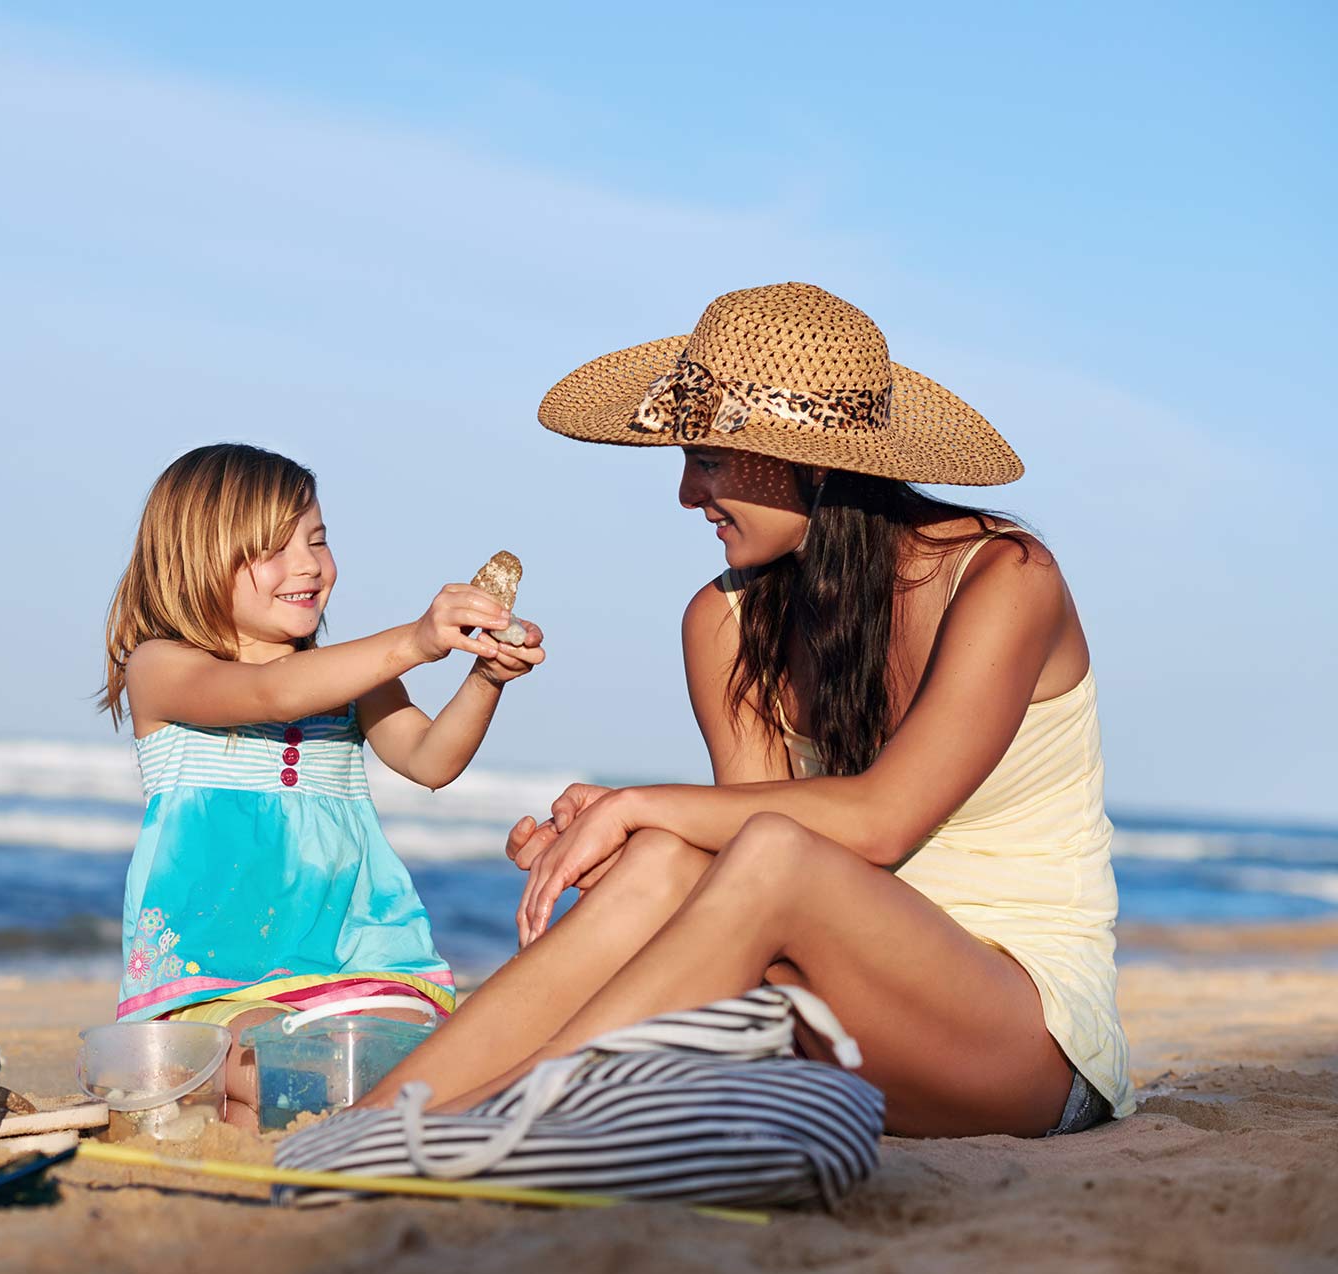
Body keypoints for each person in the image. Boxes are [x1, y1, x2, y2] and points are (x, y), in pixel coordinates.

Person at [362, 282, 1131, 1138]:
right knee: (665, 856)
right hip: (834, 1020)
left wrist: (637, 803)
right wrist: (624, 858)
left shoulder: (1005, 578)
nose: (688, 494)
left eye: (711, 459)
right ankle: (374, 1120)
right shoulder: (726, 622)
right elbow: (745, 885)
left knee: (743, 843)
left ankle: (484, 1123)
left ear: (811, 460)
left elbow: (877, 823)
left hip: (1024, 1044)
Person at [99, 442, 547, 1125]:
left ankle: (312, 1113)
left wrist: (485, 677)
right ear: (196, 561)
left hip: (359, 959)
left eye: (317, 539)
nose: (308, 564)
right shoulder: (161, 666)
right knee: (263, 1063)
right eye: (275, 548)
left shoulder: (353, 676)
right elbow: (273, 692)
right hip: (219, 973)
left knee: (397, 1050)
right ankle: (225, 1094)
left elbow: (431, 759)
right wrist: (419, 639)